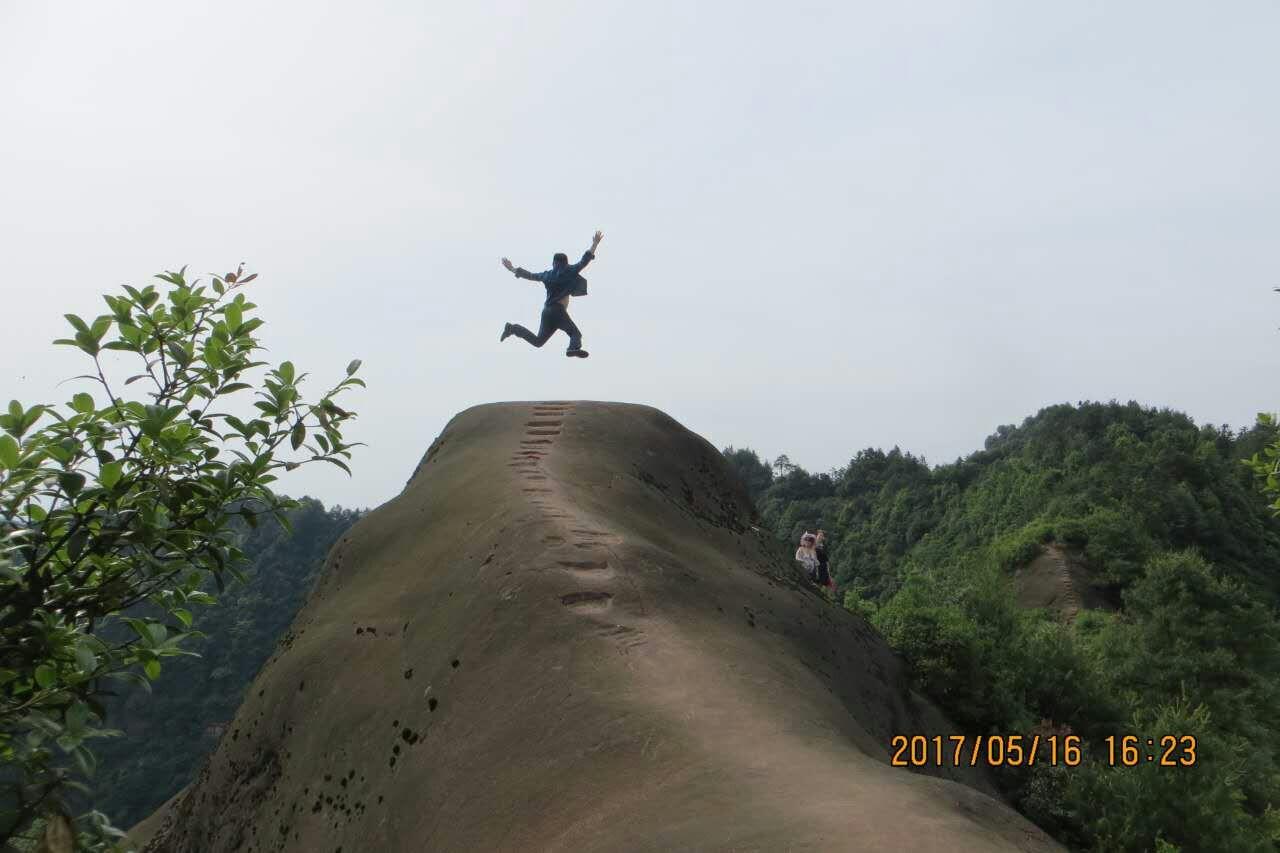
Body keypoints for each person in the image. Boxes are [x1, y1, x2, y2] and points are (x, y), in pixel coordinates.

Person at [499, 230, 603, 358]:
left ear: (554, 263)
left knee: (538, 342)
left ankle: (512, 328)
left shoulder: (547, 275)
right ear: (566, 262)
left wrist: (512, 269)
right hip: (558, 311)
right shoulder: (570, 270)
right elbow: (584, 260)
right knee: (575, 334)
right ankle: (572, 348)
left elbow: (531, 275)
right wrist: (595, 244)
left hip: (547, 312)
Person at [815, 530, 836, 595]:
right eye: (819, 535)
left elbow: (826, 559)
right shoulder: (812, 543)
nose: (819, 537)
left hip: (822, 564)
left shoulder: (824, 546)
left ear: (823, 538)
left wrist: (828, 569)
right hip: (814, 563)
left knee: (823, 580)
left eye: (821, 536)